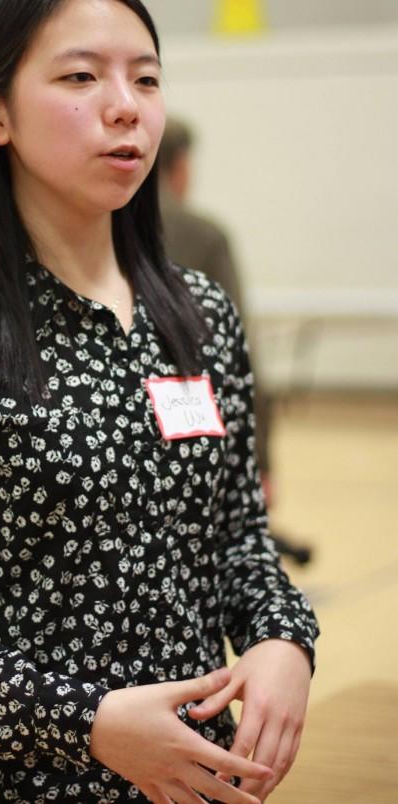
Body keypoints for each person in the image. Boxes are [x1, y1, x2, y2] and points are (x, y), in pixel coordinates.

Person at [0, 0, 319, 803]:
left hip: (197, 780)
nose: (125, 105)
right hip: (10, 784)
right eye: (80, 76)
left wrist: (282, 639)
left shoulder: (196, 314)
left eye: (146, 78)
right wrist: (83, 720)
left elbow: (237, 532)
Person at [160, 118, 312, 566]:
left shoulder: (92, 222)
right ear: (182, 166)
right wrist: (260, 459)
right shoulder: (202, 234)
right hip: (192, 426)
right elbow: (240, 355)